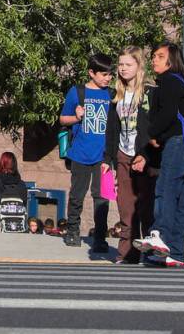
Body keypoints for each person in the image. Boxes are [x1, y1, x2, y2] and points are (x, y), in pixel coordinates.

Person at [133, 42, 184, 268]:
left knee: (165, 188)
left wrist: (152, 133)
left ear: (171, 61)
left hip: (178, 142)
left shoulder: (169, 82)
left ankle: (159, 235)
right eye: (153, 56)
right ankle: (176, 253)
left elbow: (168, 113)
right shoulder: (180, 84)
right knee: (181, 197)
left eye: (160, 56)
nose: (154, 60)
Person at [105, 46, 158, 264]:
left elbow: (154, 127)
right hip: (122, 154)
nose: (123, 69)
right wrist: (108, 159)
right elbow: (112, 129)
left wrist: (145, 154)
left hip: (144, 156)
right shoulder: (115, 94)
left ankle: (151, 252)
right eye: (121, 64)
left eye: (128, 64)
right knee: (125, 206)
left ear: (138, 66)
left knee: (145, 206)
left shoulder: (149, 93)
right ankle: (127, 253)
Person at [59, 53, 113, 251]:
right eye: (104, 74)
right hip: (80, 153)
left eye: (110, 75)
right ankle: (72, 231)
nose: (108, 78)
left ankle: (100, 237)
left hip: (104, 156)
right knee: (77, 195)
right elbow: (62, 119)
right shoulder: (77, 92)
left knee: (102, 197)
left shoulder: (113, 94)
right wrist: (76, 117)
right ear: (92, 73)